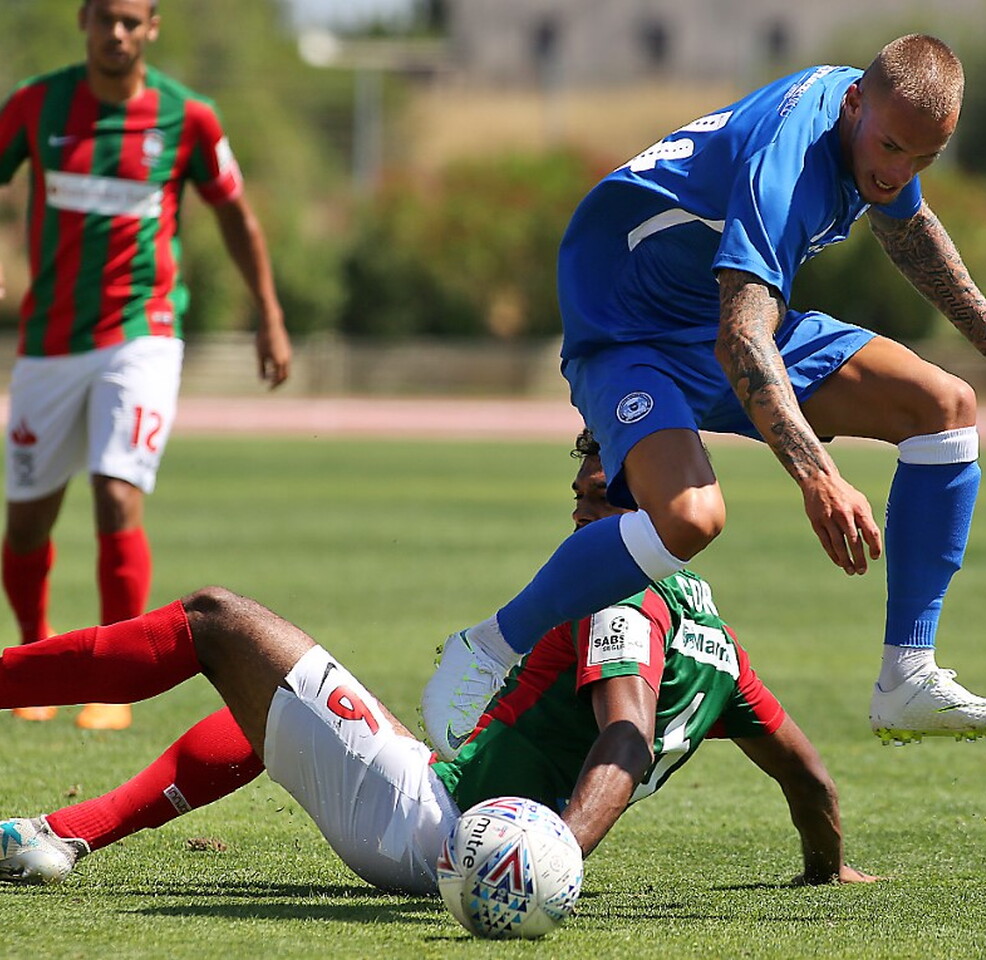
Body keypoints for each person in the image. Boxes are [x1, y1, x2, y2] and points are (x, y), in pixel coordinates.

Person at [423, 34, 986, 758]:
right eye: (893, 149)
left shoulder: (878, 117)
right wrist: (819, 478)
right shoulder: (788, 167)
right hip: (628, 324)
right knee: (690, 518)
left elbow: (906, 227)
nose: (899, 172)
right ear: (855, 103)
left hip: (714, 313)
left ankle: (908, 675)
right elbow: (742, 340)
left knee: (945, 407)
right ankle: (486, 649)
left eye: (923, 159)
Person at [0, 430, 875, 892]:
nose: (580, 517)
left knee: (215, 620)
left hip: (438, 830)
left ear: (652, 508)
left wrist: (555, 857)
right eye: (577, 498)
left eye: (599, 502)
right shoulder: (715, 639)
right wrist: (826, 866)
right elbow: (809, 782)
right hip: (460, 827)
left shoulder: (619, 599)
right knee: (278, 701)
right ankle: (61, 836)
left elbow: (626, 738)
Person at [0, 0, 291, 729]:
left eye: (132, 21)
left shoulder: (188, 117)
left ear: (153, 27)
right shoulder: (36, 105)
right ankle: (34, 661)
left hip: (143, 333)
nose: (117, 33)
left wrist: (269, 313)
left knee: (117, 494)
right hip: (49, 340)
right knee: (27, 520)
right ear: (84, 20)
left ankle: (112, 681)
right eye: (106, 18)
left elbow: (236, 214)